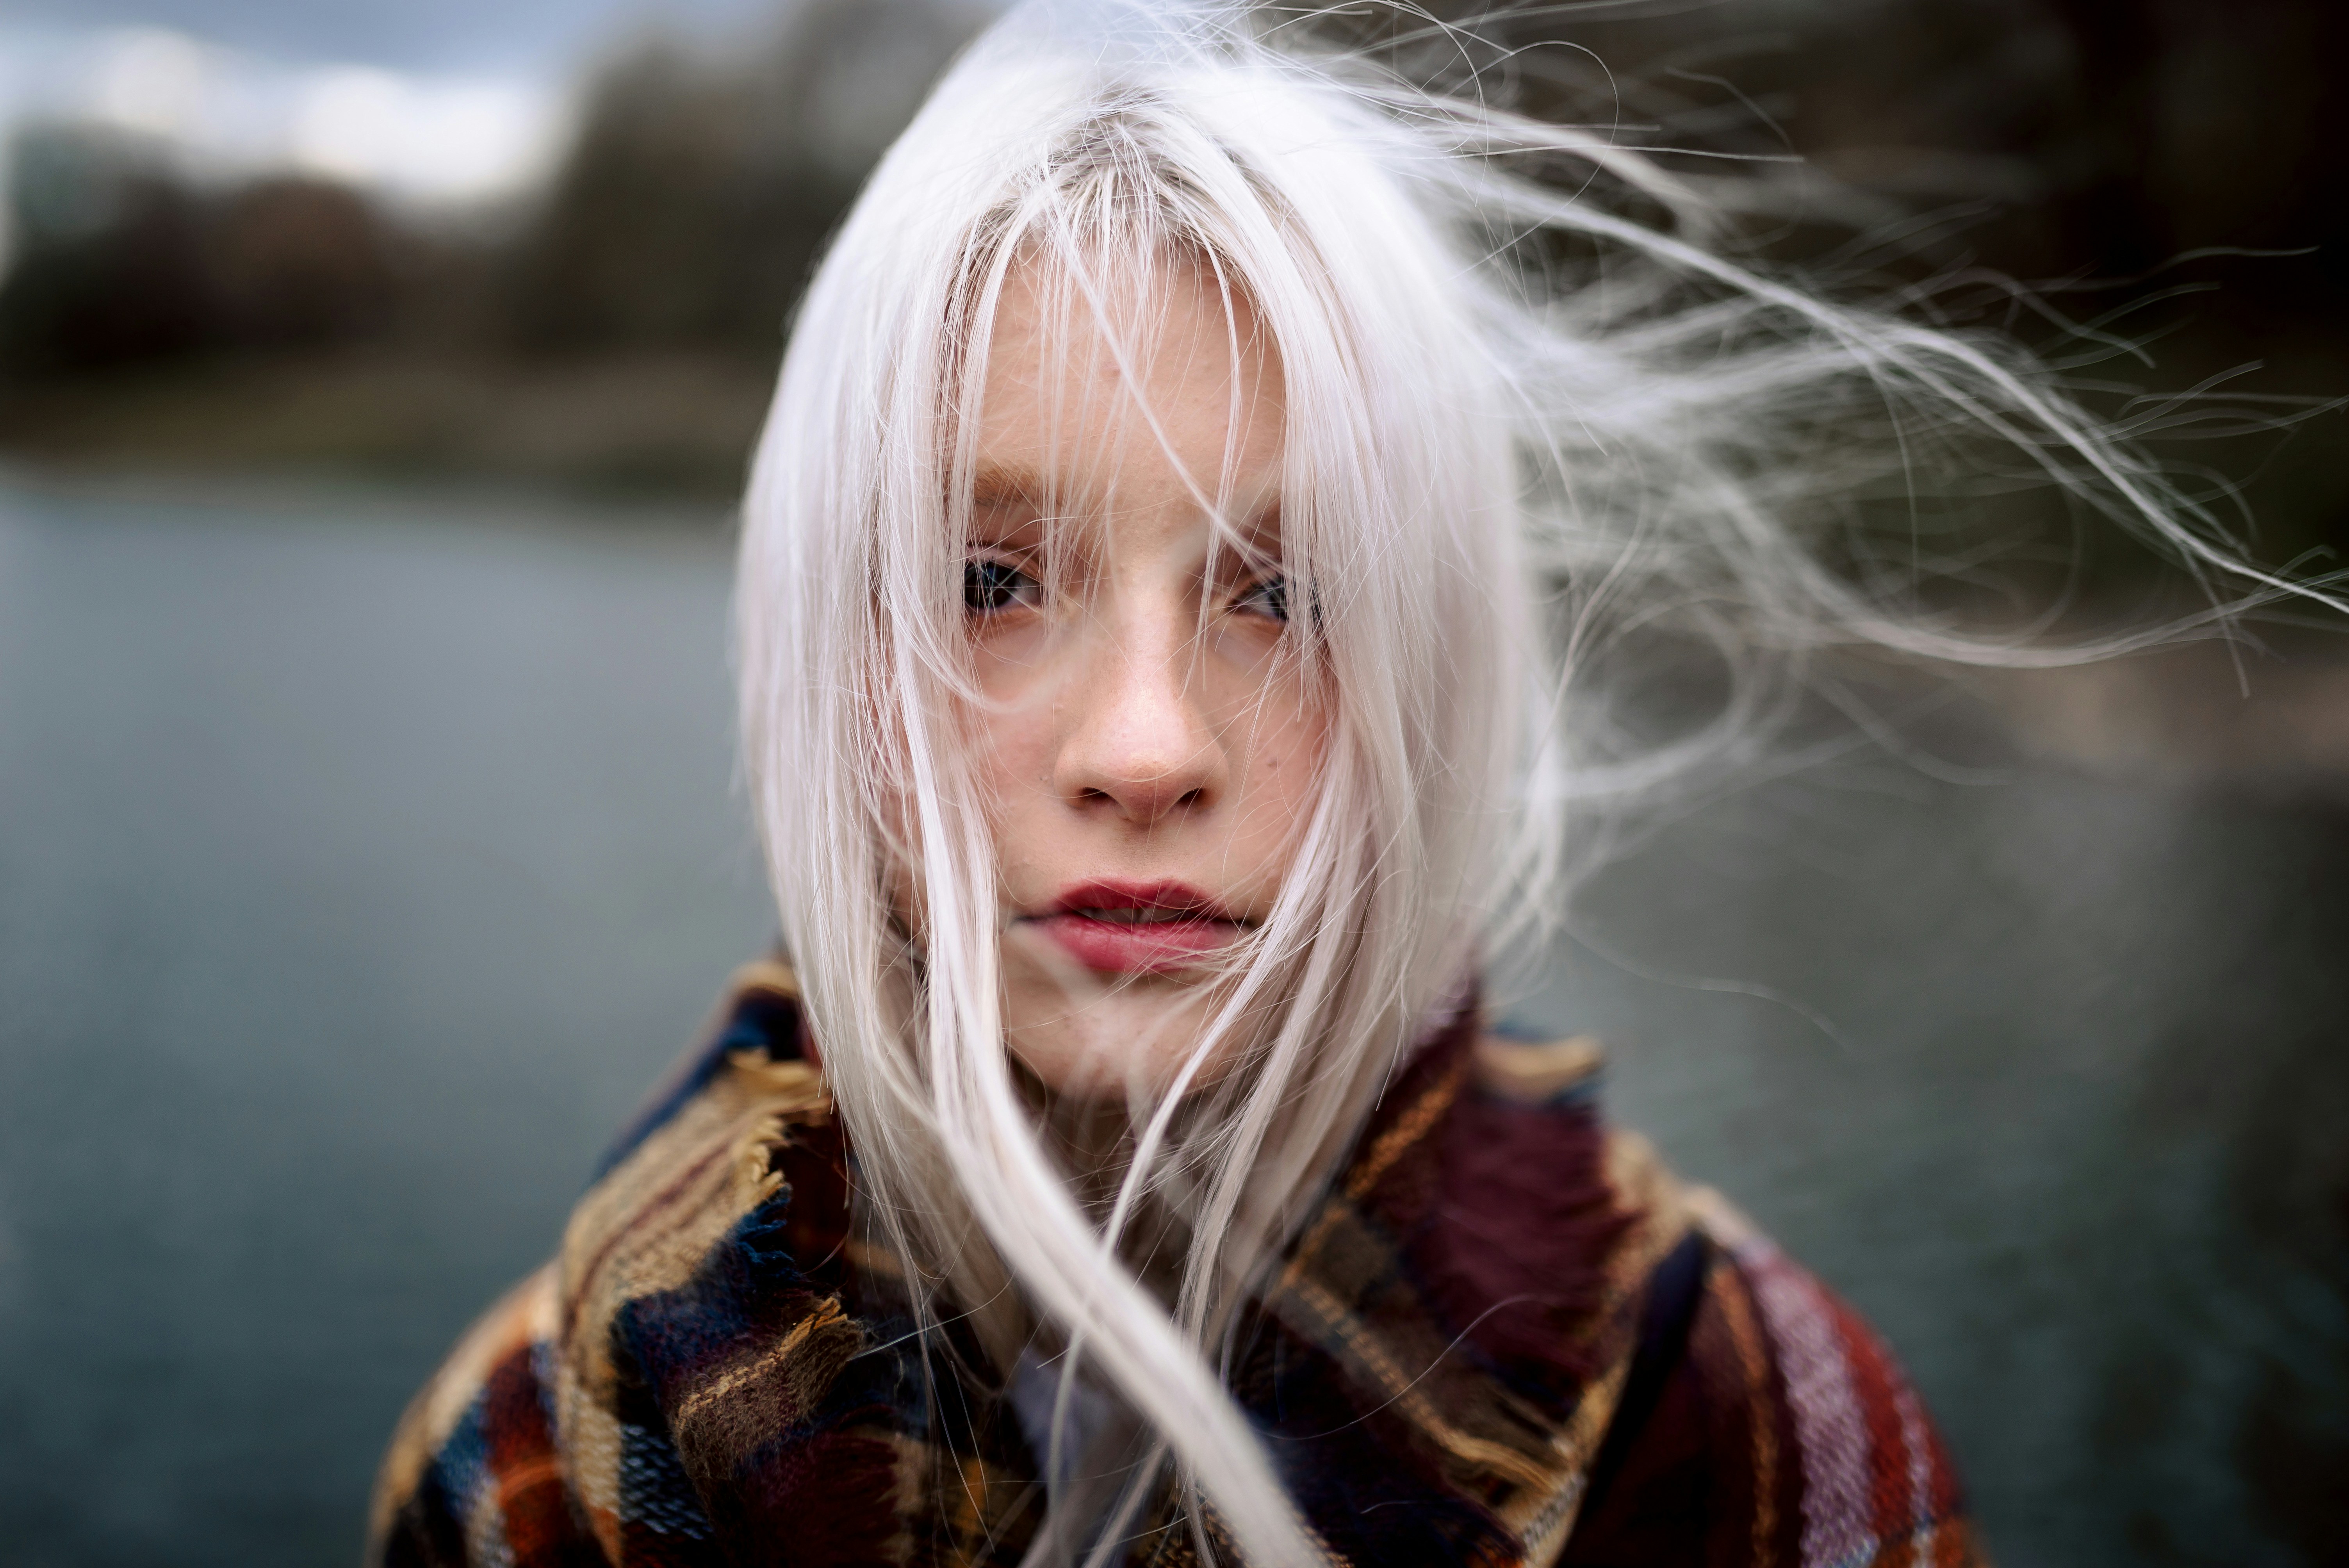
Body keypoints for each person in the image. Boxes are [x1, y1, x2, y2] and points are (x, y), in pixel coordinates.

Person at [366, 4, 2296, 1564]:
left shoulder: (1750, 1433)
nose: (1144, 748)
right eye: (986, 580)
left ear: (1432, 655)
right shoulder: (544, 1453)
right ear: (815, 636)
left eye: (1283, 589)